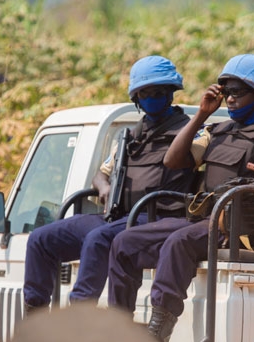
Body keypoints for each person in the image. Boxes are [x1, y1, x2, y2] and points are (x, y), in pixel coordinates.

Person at [107, 54, 254, 342]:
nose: (229, 99)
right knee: (124, 243)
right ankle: (119, 330)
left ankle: (157, 335)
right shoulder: (217, 130)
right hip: (204, 220)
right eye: (225, 91)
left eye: (237, 92)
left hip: (238, 230)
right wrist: (202, 114)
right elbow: (173, 160)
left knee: (180, 241)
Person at [23, 55, 194, 311]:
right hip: (118, 216)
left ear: (172, 93)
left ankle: (79, 316)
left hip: (155, 218)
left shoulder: (190, 133)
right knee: (40, 239)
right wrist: (104, 187)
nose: (152, 97)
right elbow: (101, 173)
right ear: (136, 98)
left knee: (98, 238)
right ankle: (35, 322)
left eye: (159, 91)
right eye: (145, 92)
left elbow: (206, 163)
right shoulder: (132, 137)